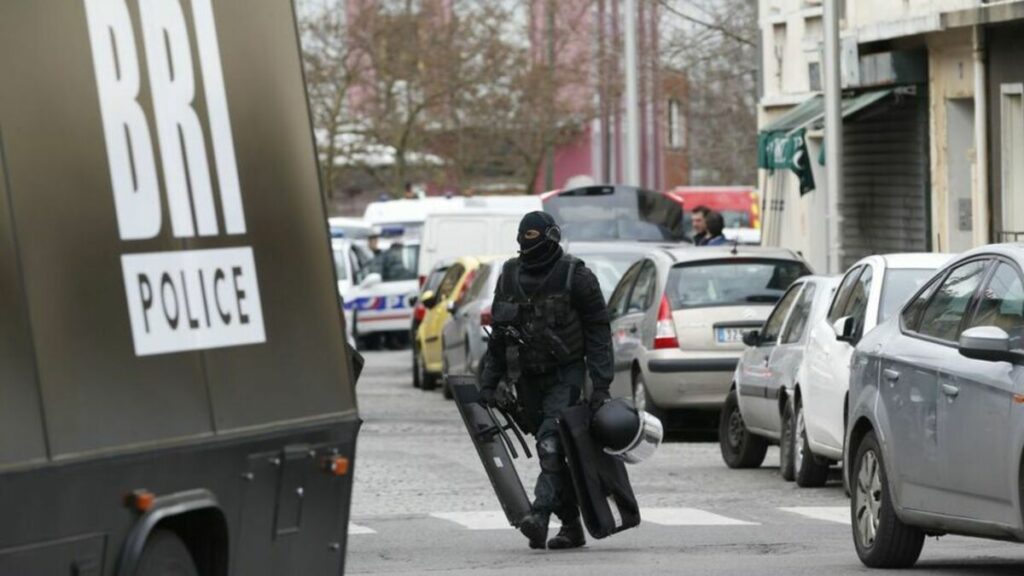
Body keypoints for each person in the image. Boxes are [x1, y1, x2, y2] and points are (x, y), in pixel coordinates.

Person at [480, 211, 613, 551]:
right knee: (551, 455)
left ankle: (538, 516)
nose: (530, 245)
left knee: (551, 445)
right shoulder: (509, 275)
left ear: (552, 236)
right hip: (526, 379)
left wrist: (600, 385)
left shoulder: (576, 276)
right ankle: (571, 526)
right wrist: (488, 382)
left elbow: (599, 331)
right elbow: (498, 336)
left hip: (565, 375)